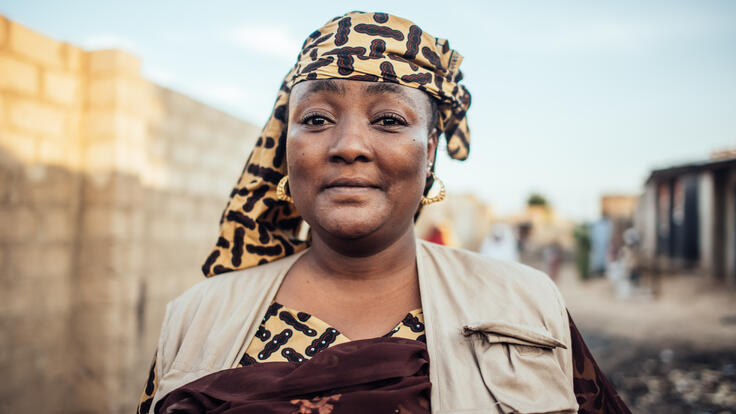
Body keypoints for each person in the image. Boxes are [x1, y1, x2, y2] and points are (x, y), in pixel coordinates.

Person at [138, 12, 630, 413]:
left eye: (389, 119)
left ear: (430, 149)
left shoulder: (523, 304)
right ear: (285, 147)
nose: (349, 145)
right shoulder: (197, 316)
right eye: (316, 119)